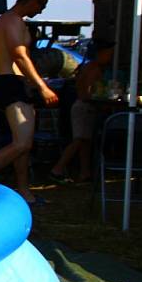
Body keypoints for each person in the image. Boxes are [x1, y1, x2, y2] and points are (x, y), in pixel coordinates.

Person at [0, 0, 59, 205]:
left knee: (24, 141)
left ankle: (24, 190)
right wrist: (42, 86)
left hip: (12, 81)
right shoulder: (11, 21)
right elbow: (19, 55)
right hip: (11, 82)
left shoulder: (9, 22)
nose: (41, 10)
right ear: (33, 0)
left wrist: (17, 80)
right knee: (22, 143)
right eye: (42, 4)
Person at [49, 39, 115, 183]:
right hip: (85, 107)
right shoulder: (94, 69)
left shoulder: (86, 66)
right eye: (109, 55)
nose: (110, 58)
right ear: (101, 54)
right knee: (79, 140)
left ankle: (85, 173)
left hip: (81, 106)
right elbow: (87, 93)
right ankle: (57, 169)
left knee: (85, 142)